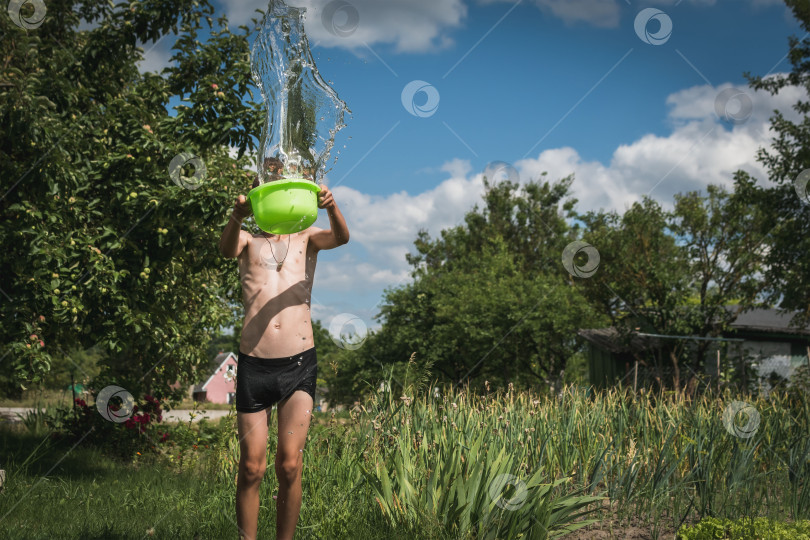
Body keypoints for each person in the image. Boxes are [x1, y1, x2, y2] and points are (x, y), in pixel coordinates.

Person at [218, 174, 349, 540]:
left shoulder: (306, 239)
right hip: (253, 365)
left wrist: (332, 207)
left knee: (289, 465)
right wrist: (236, 216)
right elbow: (226, 249)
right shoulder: (246, 240)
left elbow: (341, 237)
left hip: (298, 364)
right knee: (251, 467)